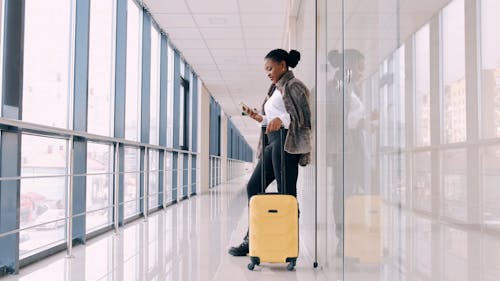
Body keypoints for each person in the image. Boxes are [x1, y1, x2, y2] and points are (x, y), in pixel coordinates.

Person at [228, 49, 312, 256]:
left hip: (286, 142)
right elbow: (274, 118)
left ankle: (286, 243)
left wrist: (281, 120)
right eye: (265, 70)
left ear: (283, 65)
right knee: (254, 187)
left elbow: (305, 117)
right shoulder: (275, 88)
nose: (268, 73)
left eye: (270, 68)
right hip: (272, 142)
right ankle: (253, 237)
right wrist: (261, 118)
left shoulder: (295, 86)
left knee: (286, 194)